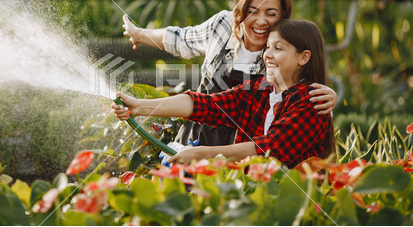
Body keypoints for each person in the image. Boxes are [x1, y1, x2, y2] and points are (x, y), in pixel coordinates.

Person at [121, 0, 337, 147]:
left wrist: (328, 97)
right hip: (195, 136)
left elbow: (300, 108)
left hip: (241, 148)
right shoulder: (223, 26)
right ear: (241, 9)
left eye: (271, 14)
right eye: (253, 11)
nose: (261, 21)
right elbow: (179, 39)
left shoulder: (280, 57)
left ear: (283, 16)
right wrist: (139, 34)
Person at [113, 19, 336, 169]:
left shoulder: (311, 102)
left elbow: (269, 149)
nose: (267, 54)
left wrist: (202, 155)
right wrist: (139, 106)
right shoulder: (260, 89)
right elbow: (207, 105)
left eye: (278, 48)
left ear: (303, 57)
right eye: (268, 47)